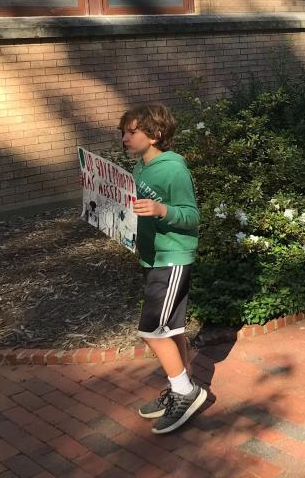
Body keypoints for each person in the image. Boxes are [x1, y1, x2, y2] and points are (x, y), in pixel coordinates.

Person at [121, 103, 205, 435]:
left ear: (155, 134)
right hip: (151, 256)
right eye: (123, 132)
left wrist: (160, 210)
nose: (125, 138)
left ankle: (186, 392)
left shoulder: (173, 170)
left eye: (132, 131)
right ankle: (179, 386)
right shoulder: (140, 168)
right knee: (171, 330)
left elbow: (192, 216)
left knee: (151, 330)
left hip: (171, 257)